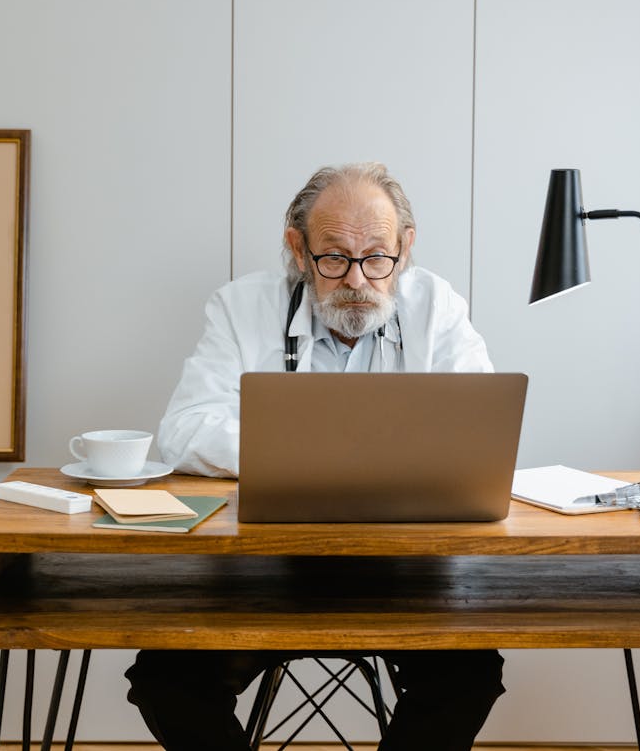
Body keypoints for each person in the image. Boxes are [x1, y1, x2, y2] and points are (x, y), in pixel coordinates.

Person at [126, 163, 504, 751]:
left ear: (404, 249)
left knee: (470, 674)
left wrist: (313, 455)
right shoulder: (240, 306)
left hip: (406, 565)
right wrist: (317, 456)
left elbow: (481, 429)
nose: (356, 279)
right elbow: (183, 429)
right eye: (334, 257)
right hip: (261, 564)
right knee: (166, 681)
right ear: (297, 249)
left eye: (376, 256)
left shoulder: (438, 306)